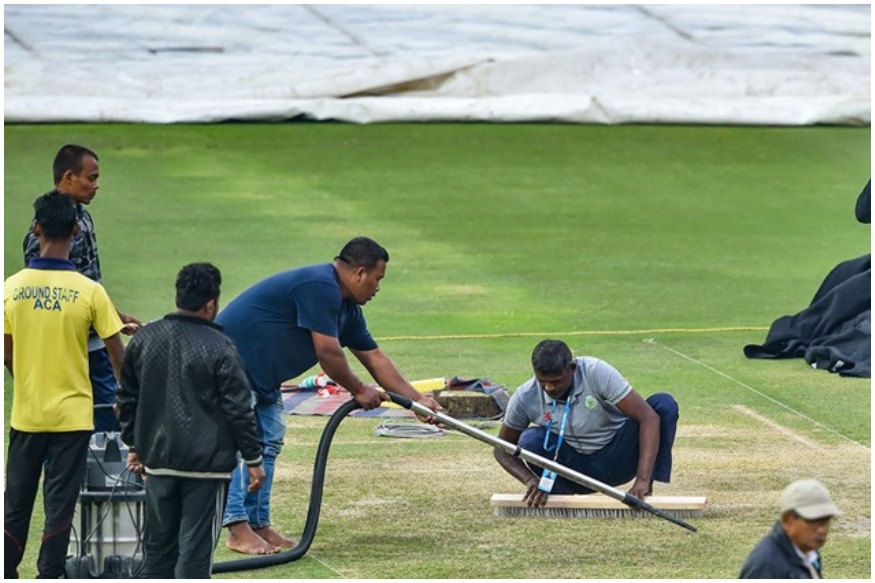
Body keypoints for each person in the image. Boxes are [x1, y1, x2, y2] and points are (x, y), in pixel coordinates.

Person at [217, 236, 443, 555]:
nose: (378, 288)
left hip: (263, 377)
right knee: (233, 447)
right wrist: (358, 389)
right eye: (378, 279)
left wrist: (416, 400)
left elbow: (375, 357)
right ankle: (237, 528)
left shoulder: (348, 309)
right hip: (227, 368)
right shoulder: (320, 286)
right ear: (360, 273)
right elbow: (328, 351)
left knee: (268, 442)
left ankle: (257, 522)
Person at [4, 192, 126, 579]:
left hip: (27, 415)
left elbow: (7, 354)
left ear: (36, 229)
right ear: (76, 230)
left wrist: (27, 379)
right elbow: (116, 355)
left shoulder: (11, 288)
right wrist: (128, 397)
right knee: (60, 504)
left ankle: (6, 570)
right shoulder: (91, 292)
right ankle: (50, 573)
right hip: (73, 418)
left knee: (16, 501)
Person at [117, 262, 266, 578]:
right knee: (195, 555)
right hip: (206, 470)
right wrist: (254, 458)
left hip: (157, 463)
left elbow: (127, 399)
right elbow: (239, 409)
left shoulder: (145, 339)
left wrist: (134, 444)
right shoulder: (221, 346)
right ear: (211, 303)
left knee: (158, 551)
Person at [23, 144, 143, 431]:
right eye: (91, 178)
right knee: (102, 414)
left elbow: (89, 281)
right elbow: (53, 287)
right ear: (68, 177)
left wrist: (115, 315)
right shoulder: (46, 229)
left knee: (106, 412)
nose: (96, 185)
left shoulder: (82, 217)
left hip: (93, 335)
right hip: (74, 342)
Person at [493, 339, 678, 505]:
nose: (549, 387)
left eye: (556, 381)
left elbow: (649, 418)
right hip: (575, 472)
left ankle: (645, 489)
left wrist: (643, 478)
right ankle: (560, 494)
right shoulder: (525, 396)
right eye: (543, 381)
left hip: (619, 458)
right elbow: (501, 449)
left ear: (572, 369)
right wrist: (530, 480)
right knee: (529, 439)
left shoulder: (595, 371)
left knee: (663, 404)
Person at [739, 478, 842, 578]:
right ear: (788, 519)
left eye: (825, 521)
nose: (821, 530)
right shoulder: (766, 567)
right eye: (812, 521)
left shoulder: (807, 552)